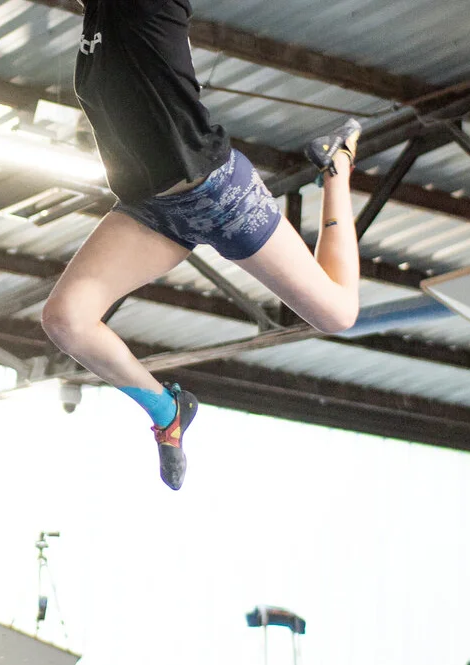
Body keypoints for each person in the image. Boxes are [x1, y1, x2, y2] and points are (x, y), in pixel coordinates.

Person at [41, 0, 362, 491]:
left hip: (216, 192)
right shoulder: (98, 17)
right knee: (65, 320)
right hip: (150, 208)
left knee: (338, 314)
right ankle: (168, 412)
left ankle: (337, 163)